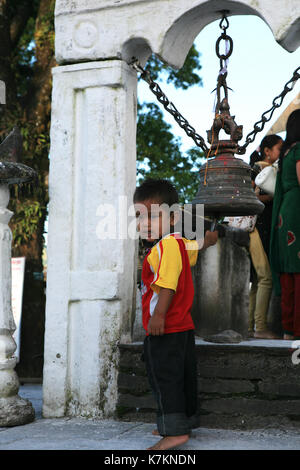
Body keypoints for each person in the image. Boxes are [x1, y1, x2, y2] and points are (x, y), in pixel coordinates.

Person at [133, 178, 218, 451]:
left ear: (172, 219)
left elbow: (167, 283)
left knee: (164, 378)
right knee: (182, 377)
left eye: (152, 216)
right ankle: (184, 422)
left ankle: (174, 432)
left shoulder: (164, 247)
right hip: (182, 328)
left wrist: (157, 316)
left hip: (166, 328)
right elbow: (196, 248)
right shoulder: (177, 243)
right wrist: (211, 238)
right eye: (138, 216)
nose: (144, 223)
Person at [248, 134, 283, 339]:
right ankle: (260, 328)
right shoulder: (262, 169)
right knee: (266, 278)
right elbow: (254, 197)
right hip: (258, 228)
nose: (280, 153)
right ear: (268, 151)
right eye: (279, 149)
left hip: (254, 229)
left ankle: (251, 325)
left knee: (257, 280)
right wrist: (273, 195)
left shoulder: (256, 167)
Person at [270, 109, 300, 340]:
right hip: (297, 208)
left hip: (285, 211)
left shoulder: (286, 152)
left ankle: (289, 330)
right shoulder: (299, 150)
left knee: (290, 272)